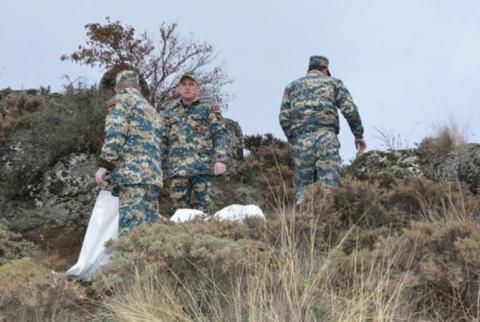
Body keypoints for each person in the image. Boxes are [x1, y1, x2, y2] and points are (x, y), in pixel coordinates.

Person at [279, 55, 367, 205]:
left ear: (308, 69)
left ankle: (302, 223)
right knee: (329, 186)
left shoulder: (291, 87)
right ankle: (330, 222)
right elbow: (350, 110)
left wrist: (294, 140)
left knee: (303, 189)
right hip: (326, 137)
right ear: (325, 69)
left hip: (301, 140)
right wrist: (358, 135)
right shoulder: (333, 83)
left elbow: (284, 118)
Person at [95, 70, 164, 234]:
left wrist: (104, 166)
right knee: (149, 235)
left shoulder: (121, 101)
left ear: (116, 88)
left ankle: (132, 261)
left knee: (131, 235)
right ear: (138, 87)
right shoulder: (151, 109)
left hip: (132, 177)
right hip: (153, 178)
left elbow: (116, 135)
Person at [161, 72, 228, 214]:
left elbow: (220, 133)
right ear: (179, 88)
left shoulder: (209, 108)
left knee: (203, 212)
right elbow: (163, 140)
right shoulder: (169, 111)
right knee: (178, 214)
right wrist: (159, 167)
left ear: (197, 87)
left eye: (191, 84)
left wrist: (220, 159)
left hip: (201, 169)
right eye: (184, 84)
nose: (187, 88)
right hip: (178, 171)